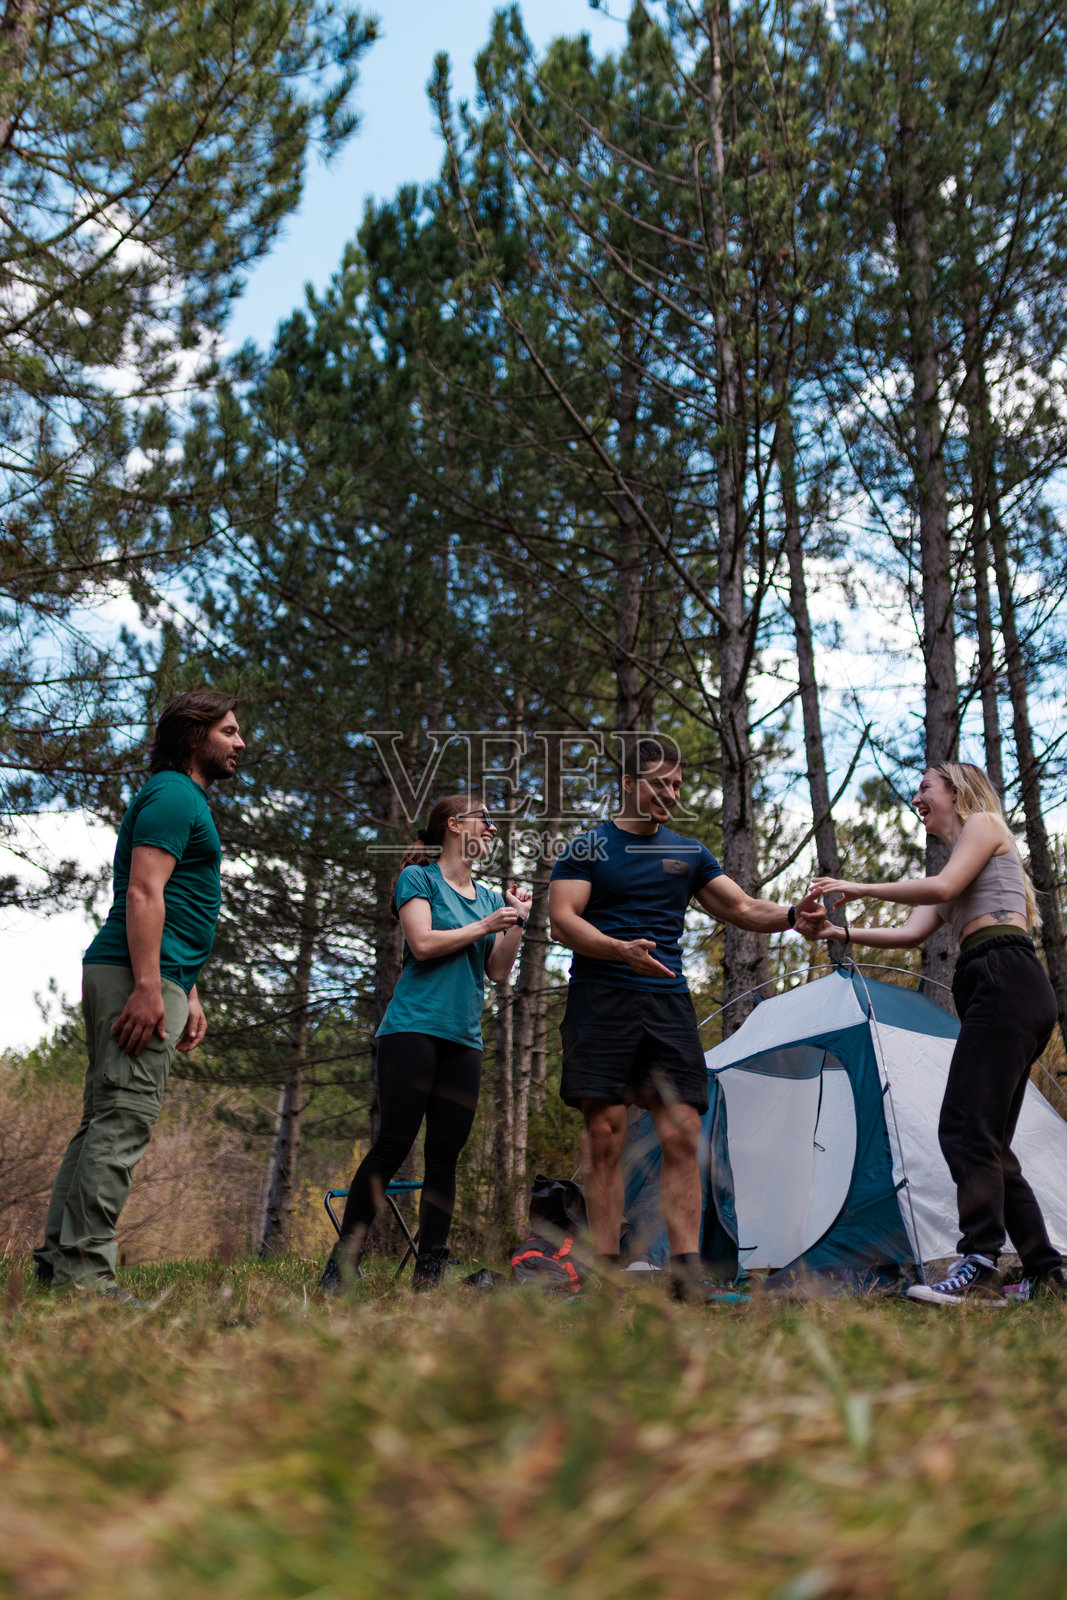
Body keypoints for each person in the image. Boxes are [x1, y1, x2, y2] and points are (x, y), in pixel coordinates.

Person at [547, 738, 820, 1304]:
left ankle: (686, 1276)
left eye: (677, 785)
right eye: (660, 783)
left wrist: (795, 916)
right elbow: (562, 920)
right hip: (601, 1001)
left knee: (683, 1133)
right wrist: (618, 949)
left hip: (666, 1005)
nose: (671, 794)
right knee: (606, 1135)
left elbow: (743, 908)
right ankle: (606, 1278)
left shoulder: (688, 853)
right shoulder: (588, 847)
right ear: (628, 784)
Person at [809, 760, 1067, 1307]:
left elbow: (942, 886)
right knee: (987, 1140)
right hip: (993, 983)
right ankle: (1046, 1271)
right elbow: (912, 933)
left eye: (926, 787)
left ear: (957, 790)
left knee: (963, 1127)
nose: (916, 797)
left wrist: (857, 885)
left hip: (1004, 975)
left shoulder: (985, 825)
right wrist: (839, 930)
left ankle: (980, 1264)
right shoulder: (962, 865)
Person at [33, 690, 244, 1303]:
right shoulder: (175, 795)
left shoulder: (178, 797)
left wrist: (187, 987)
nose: (240, 742)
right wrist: (151, 985)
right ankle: (85, 1275)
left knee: (103, 1117)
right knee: (124, 1116)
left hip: (152, 971)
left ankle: (58, 1264)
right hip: (136, 975)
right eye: (229, 731)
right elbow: (144, 893)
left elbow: (168, 901)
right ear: (194, 736)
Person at [322, 795, 530, 1293]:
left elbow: (497, 971)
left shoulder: (488, 897)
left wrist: (518, 920)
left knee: (444, 1156)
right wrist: (486, 925)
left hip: (464, 1039)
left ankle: (429, 1273)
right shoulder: (418, 879)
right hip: (412, 1030)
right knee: (394, 1143)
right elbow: (423, 942)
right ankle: (343, 1266)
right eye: (486, 819)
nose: (494, 829)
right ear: (455, 825)